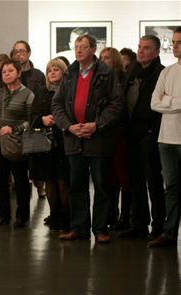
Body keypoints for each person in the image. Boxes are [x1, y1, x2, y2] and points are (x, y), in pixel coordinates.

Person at [51, 34, 123, 243]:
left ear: (93, 49)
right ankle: (78, 228)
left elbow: (117, 104)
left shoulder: (106, 73)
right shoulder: (70, 73)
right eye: (76, 47)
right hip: (75, 138)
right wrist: (69, 126)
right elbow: (57, 104)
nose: (79, 50)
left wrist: (97, 125)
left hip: (98, 138)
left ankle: (100, 229)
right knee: (77, 185)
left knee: (101, 185)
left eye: (83, 47)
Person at [119, 35, 166, 241]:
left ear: (156, 52)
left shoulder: (161, 73)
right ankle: (139, 224)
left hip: (149, 135)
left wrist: (151, 131)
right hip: (130, 134)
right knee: (135, 181)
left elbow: (163, 107)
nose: (140, 51)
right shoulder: (132, 71)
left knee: (154, 182)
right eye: (139, 47)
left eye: (146, 48)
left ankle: (158, 226)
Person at [0, 58, 33, 228]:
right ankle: (3, 215)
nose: (6, 74)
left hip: (16, 143)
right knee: (0, 179)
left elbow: (30, 121)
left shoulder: (28, 94)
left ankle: (22, 216)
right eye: (4, 72)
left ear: (19, 73)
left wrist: (14, 129)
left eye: (10, 71)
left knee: (20, 180)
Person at [29, 58, 70, 233]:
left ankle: (67, 218)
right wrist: (43, 119)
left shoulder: (70, 90)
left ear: (64, 72)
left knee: (63, 181)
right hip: (46, 143)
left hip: (65, 141)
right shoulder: (41, 91)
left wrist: (61, 119)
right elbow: (32, 116)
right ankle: (54, 215)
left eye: (56, 69)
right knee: (50, 181)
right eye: (49, 70)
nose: (52, 73)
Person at [149, 26, 181, 247]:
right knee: (171, 188)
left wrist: (168, 100)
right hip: (166, 139)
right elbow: (154, 103)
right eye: (175, 42)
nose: (175, 46)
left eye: (179, 42)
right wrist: (175, 102)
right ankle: (169, 233)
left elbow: (162, 102)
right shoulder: (167, 72)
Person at [99, 47, 131, 230]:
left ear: (115, 61)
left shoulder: (123, 80)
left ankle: (125, 217)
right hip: (105, 134)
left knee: (123, 176)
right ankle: (111, 214)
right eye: (101, 57)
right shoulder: (101, 80)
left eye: (107, 58)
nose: (103, 61)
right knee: (109, 177)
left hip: (119, 133)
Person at [10, 40, 47, 199]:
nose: (19, 54)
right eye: (16, 51)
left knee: (36, 157)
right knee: (18, 159)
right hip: (16, 120)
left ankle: (40, 186)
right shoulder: (10, 72)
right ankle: (19, 188)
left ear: (29, 53)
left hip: (34, 119)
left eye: (22, 50)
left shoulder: (38, 74)